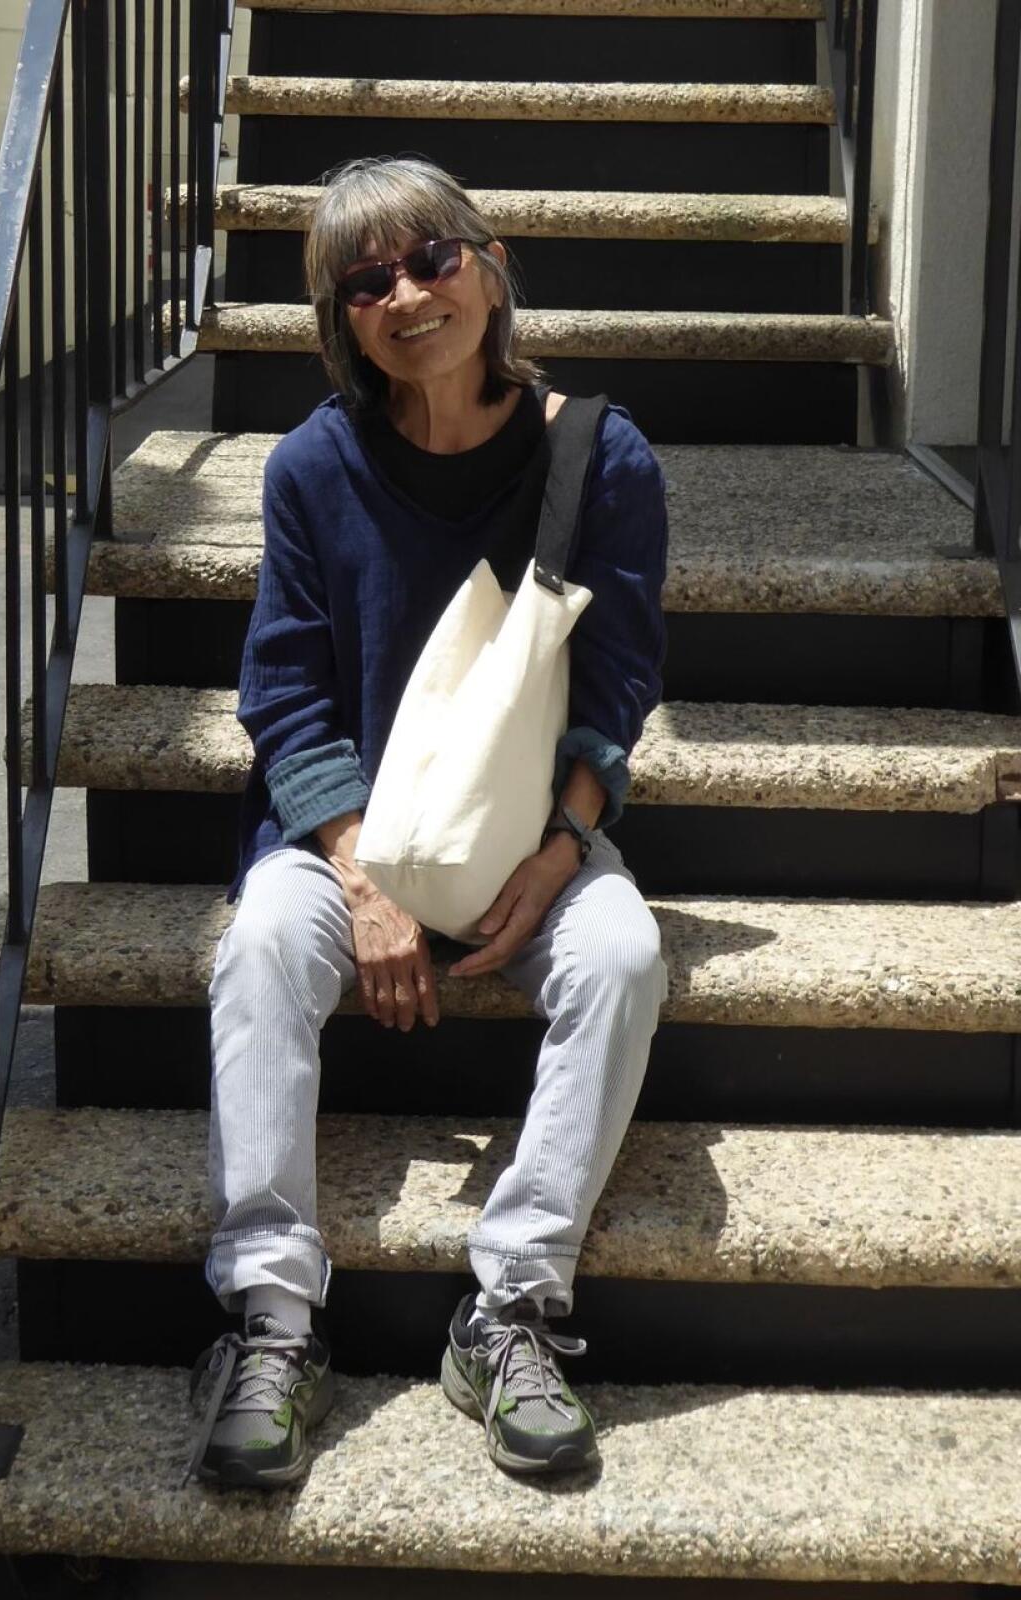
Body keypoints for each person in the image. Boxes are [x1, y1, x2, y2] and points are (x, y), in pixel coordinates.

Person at [184, 155, 669, 1490]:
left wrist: (565, 849)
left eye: (431, 258)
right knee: (265, 949)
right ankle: (271, 1321)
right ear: (342, 321)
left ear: (491, 263)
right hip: (339, 834)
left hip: (535, 829)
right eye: (366, 280)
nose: (405, 293)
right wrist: (362, 873)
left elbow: (618, 684)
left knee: (622, 955)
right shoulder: (314, 467)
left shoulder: (597, 455)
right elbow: (282, 692)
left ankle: (509, 1309)